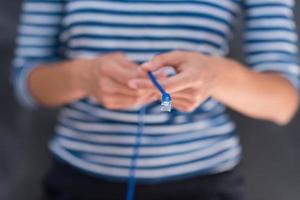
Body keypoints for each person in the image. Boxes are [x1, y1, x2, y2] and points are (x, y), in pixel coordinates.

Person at [12, 0, 299, 200]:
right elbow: (26, 81)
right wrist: (81, 77)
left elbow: (282, 102)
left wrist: (216, 75)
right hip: (78, 182)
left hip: (204, 185)